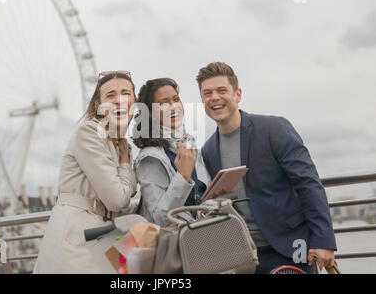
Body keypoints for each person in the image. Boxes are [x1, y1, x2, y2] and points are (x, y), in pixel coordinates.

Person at [196, 62, 337, 274]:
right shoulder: (208, 150)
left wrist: (324, 240)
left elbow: (308, 184)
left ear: (237, 94)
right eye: (207, 93)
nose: (214, 97)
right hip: (245, 257)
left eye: (221, 90)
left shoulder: (274, 128)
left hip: (291, 249)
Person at [33, 71, 137, 273]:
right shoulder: (89, 132)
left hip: (103, 232)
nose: (119, 100)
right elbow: (117, 199)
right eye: (110, 95)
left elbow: (120, 200)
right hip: (77, 234)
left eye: (126, 93)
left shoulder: (120, 144)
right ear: (98, 106)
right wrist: (125, 163)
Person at [133, 78, 210, 227]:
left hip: (203, 234)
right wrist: (183, 177)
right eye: (163, 103)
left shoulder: (189, 144)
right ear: (149, 114)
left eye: (176, 99)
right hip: (179, 242)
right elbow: (160, 218)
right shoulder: (150, 158)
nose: (173, 106)